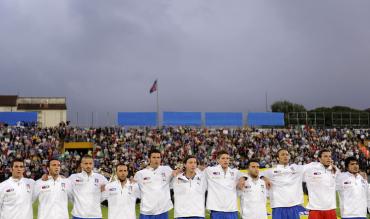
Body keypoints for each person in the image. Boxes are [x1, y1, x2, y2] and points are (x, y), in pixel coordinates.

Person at [134, 148, 180, 219]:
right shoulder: (140, 174)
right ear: (149, 159)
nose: (156, 159)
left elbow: (173, 184)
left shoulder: (167, 169)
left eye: (158, 157)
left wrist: (175, 175)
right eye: (154, 157)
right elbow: (134, 191)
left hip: (162, 211)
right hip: (146, 211)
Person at [261, 148, 306, 219]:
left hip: (293, 206)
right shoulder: (271, 171)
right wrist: (265, 178)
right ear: (277, 158)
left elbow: (311, 167)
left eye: (287, 155)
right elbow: (257, 175)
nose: (285, 156)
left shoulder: (297, 168)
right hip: (278, 206)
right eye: (282, 155)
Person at [204, 150, 244, 219]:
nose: (225, 160)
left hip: (232, 209)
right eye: (223, 158)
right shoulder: (209, 170)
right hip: (216, 209)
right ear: (218, 160)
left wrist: (242, 179)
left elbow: (245, 175)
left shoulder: (234, 172)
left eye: (227, 158)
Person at [69, 154, 108, 219]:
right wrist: (76, 201)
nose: (88, 166)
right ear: (81, 165)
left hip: (96, 216)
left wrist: (97, 200)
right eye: (86, 163)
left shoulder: (101, 178)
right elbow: (68, 193)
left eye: (90, 163)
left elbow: (106, 193)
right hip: (78, 216)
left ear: (93, 165)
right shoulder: (73, 177)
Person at [304, 149, 340, 219]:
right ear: (319, 159)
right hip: (315, 209)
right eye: (325, 156)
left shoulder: (335, 170)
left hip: (330, 209)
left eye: (330, 156)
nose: (329, 158)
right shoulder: (311, 168)